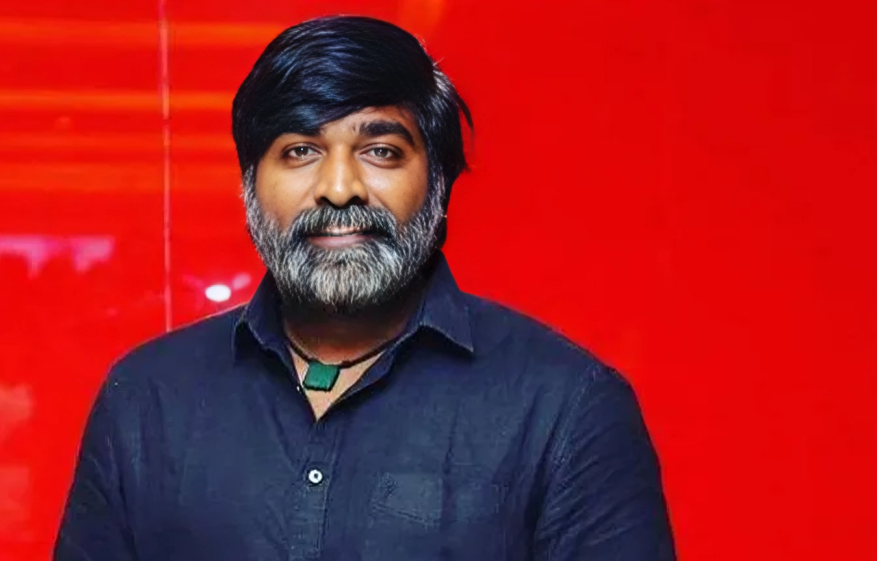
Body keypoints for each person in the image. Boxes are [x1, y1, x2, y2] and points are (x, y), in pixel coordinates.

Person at [55, 15, 675, 561]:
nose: (339, 188)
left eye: (380, 151)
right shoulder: (147, 400)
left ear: (437, 182)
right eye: (300, 150)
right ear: (249, 186)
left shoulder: (565, 407)